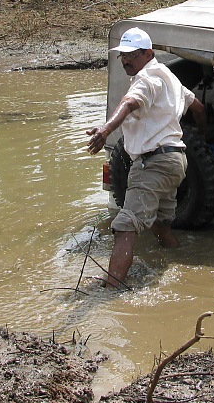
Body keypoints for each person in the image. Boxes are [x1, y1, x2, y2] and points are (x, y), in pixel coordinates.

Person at [87, 27, 207, 289]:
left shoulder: (147, 79)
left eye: (132, 55)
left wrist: (106, 130)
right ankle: (174, 261)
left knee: (125, 224)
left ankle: (111, 288)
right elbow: (198, 107)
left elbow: (130, 103)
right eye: (123, 56)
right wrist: (204, 138)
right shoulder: (170, 78)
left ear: (148, 53)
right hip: (177, 161)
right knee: (162, 225)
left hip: (153, 163)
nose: (126, 60)